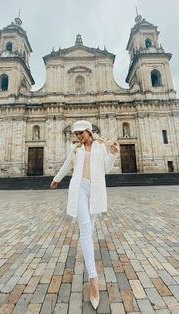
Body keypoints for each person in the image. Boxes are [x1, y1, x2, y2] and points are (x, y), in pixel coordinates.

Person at [50, 120, 119, 309]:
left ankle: (90, 265)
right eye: (76, 133)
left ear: (89, 131)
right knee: (86, 231)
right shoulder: (74, 149)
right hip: (79, 188)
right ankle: (94, 280)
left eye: (81, 133)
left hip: (95, 190)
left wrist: (113, 154)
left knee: (89, 230)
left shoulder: (100, 147)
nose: (79, 136)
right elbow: (66, 165)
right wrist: (56, 179)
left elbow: (106, 168)